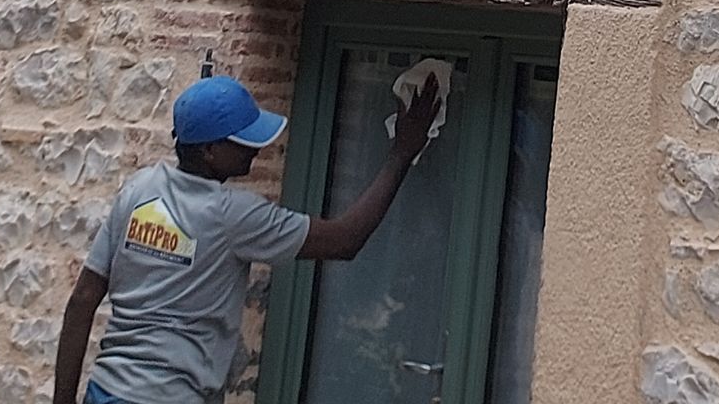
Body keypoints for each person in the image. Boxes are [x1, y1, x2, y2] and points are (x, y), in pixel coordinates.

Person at [52, 67, 442, 404]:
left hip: (106, 391)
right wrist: (400, 155)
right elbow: (344, 240)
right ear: (208, 150)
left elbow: (83, 300)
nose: (256, 149)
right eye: (243, 140)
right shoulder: (232, 215)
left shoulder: (138, 191)